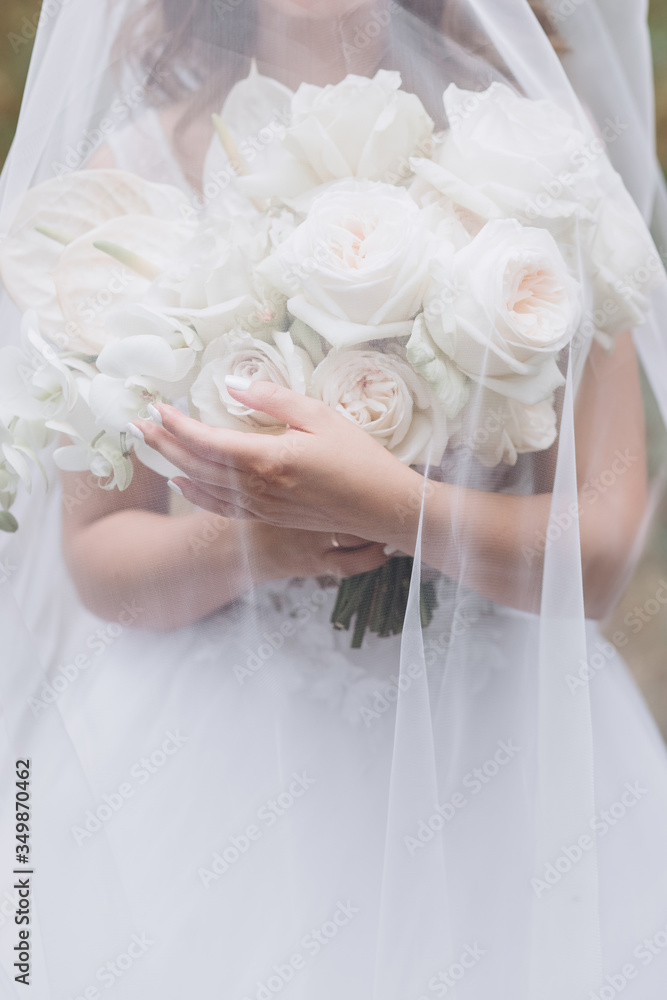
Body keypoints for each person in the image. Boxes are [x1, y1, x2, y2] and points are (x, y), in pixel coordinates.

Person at [2, 2, 667, 998]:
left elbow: (605, 546)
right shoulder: (128, 185)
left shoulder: (545, 166)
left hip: (499, 755)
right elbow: (100, 554)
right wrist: (261, 543)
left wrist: (400, 507)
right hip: (216, 770)